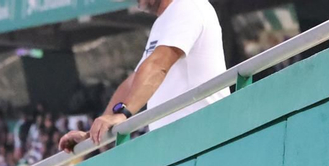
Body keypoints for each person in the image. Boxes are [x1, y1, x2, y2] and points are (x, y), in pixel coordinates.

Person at [59, 0, 228, 151]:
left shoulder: (188, 6)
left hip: (207, 140)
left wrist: (123, 113)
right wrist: (93, 132)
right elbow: (133, 82)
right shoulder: (162, 22)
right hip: (181, 146)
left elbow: (158, 65)